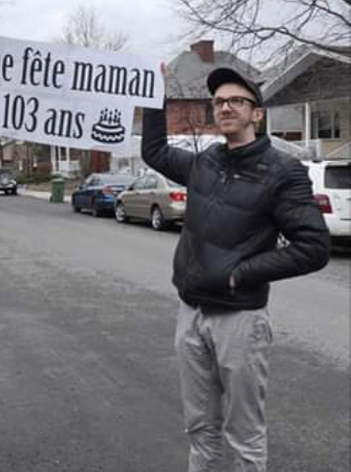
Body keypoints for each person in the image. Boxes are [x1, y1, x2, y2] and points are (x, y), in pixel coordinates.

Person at [141, 66, 330, 471]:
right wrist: (155, 95)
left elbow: (313, 247)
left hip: (240, 320)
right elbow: (153, 152)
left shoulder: (283, 172)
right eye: (219, 102)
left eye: (235, 101)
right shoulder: (205, 163)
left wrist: (239, 273)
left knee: (244, 436)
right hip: (190, 314)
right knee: (199, 429)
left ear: (256, 114)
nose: (225, 107)